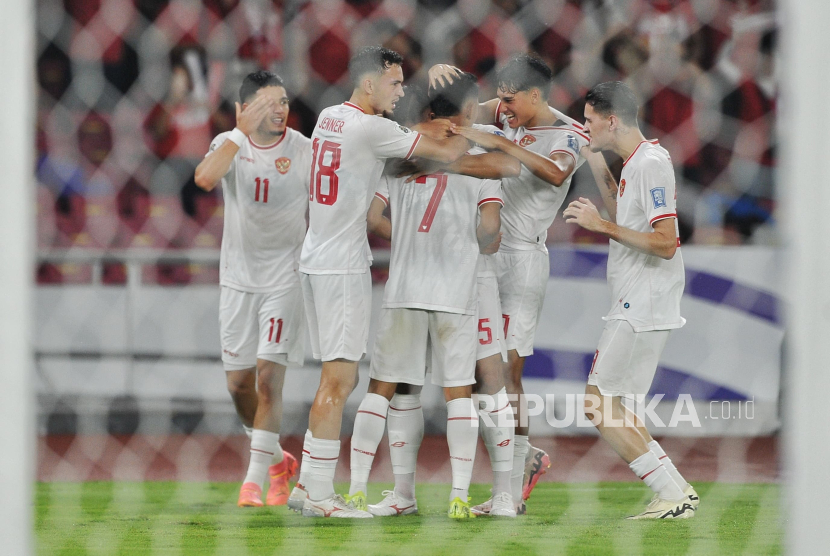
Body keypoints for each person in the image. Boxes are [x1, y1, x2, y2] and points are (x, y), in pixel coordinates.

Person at [291, 46, 471, 519]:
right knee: (340, 379)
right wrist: (462, 123)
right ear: (369, 84)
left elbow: (397, 134)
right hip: (342, 266)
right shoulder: (372, 128)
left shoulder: (330, 116)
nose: (402, 89)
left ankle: (305, 484)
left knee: (333, 376)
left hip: (313, 256)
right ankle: (321, 497)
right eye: (394, 82)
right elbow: (445, 150)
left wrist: (422, 124)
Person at [430, 55, 592, 511]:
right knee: (482, 375)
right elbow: (456, 112)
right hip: (482, 256)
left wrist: (497, 144)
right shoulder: (504, 112)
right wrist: (439, 76)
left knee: (507, 375)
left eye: (509, 97)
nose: (500, 105)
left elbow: (557, 172)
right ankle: (521, 463)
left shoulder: (567, 134)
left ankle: (513, 479)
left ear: (536, 95)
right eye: (498, 96)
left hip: (521, 261)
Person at [346, 75, 504, 519]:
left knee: (384, 390)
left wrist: (410, 245)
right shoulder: (480, 164)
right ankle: (458, 496)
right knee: (459, 394)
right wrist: (472, 244)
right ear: (467, 113)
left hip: (405, 289)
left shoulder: (401, 159)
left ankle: (362, 490)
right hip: (456, 291)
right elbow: (490, 232)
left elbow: (370, 217)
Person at [563, 81, 698, 519]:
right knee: (615, 405)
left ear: (612, 120)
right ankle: (677, 492)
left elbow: (665, 242)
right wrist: (594, 160)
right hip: (638, 298)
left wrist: (599, 227)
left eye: (589, 120)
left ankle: (670, 493)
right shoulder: (637, 163)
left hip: (645, 299)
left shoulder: (651, 164)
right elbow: (627, 217)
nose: (585, 126)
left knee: (597, 402)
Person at [193, 71, 308, 507]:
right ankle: (279, 461)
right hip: (238, 281)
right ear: (245, 108)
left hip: (285, 279)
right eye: (268, 103)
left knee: (267, 378)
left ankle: (254, 480)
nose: (280, 109)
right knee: (239, 385)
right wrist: (239, 133)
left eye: (283, 101)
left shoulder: (302, 149)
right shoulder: (229, 143)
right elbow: (205, 179)